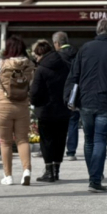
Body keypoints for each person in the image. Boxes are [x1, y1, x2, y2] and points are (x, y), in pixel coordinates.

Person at [62, 17, 107, 193]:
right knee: (100, 139)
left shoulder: (85, 49)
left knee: (89, 140)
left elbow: (74, 75)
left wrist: (69, 98)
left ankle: (93, 175)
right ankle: (95, 179)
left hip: (86, 101)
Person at [0, 37, 34, 186]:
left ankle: (8, 176)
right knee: (22, 139)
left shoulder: (2, 64)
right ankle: (26, 171)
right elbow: (32, 83)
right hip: (22, 105)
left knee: (5, 142)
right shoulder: (29, 64)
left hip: (4, 104)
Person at [29, 39, 71, 183]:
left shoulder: (41, 69)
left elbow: (34, 92)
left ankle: (49, 171)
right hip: (63, 109)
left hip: (45, 110)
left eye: (36, 56)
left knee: (47, 141)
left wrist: (34, 103)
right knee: (60, 139)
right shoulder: (65, 65)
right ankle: (57, 170)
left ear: (40, 54)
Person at [53, 31, 79, 161]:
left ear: (57, 43)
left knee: (57, 123)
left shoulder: (56, 57)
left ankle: (56, 149)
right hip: (74, 92)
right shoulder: (77, 54)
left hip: (59, 93)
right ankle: (71, 152)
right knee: (73, 121)